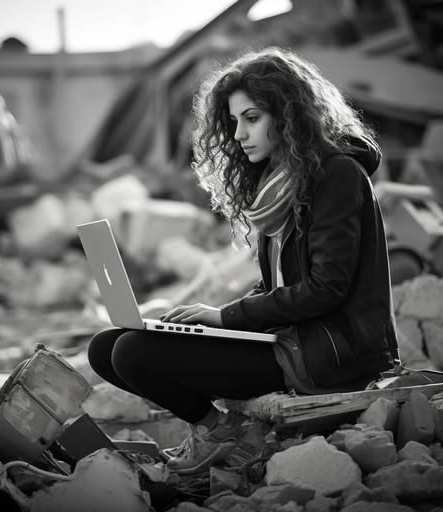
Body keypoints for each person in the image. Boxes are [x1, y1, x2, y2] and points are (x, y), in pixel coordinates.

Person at [87, 46, 399, 475]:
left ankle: (224, 433)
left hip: (326, 355)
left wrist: (226, 317)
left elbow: (326, 288)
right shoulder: (284, 182)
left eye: (251, 118)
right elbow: (279, 286)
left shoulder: (337, 175)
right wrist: (210, 319)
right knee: (105, 347)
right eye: (234, 121)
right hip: (289, 339)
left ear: (289, 115)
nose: (238, 134)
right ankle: (222, 430)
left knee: (133, 353)